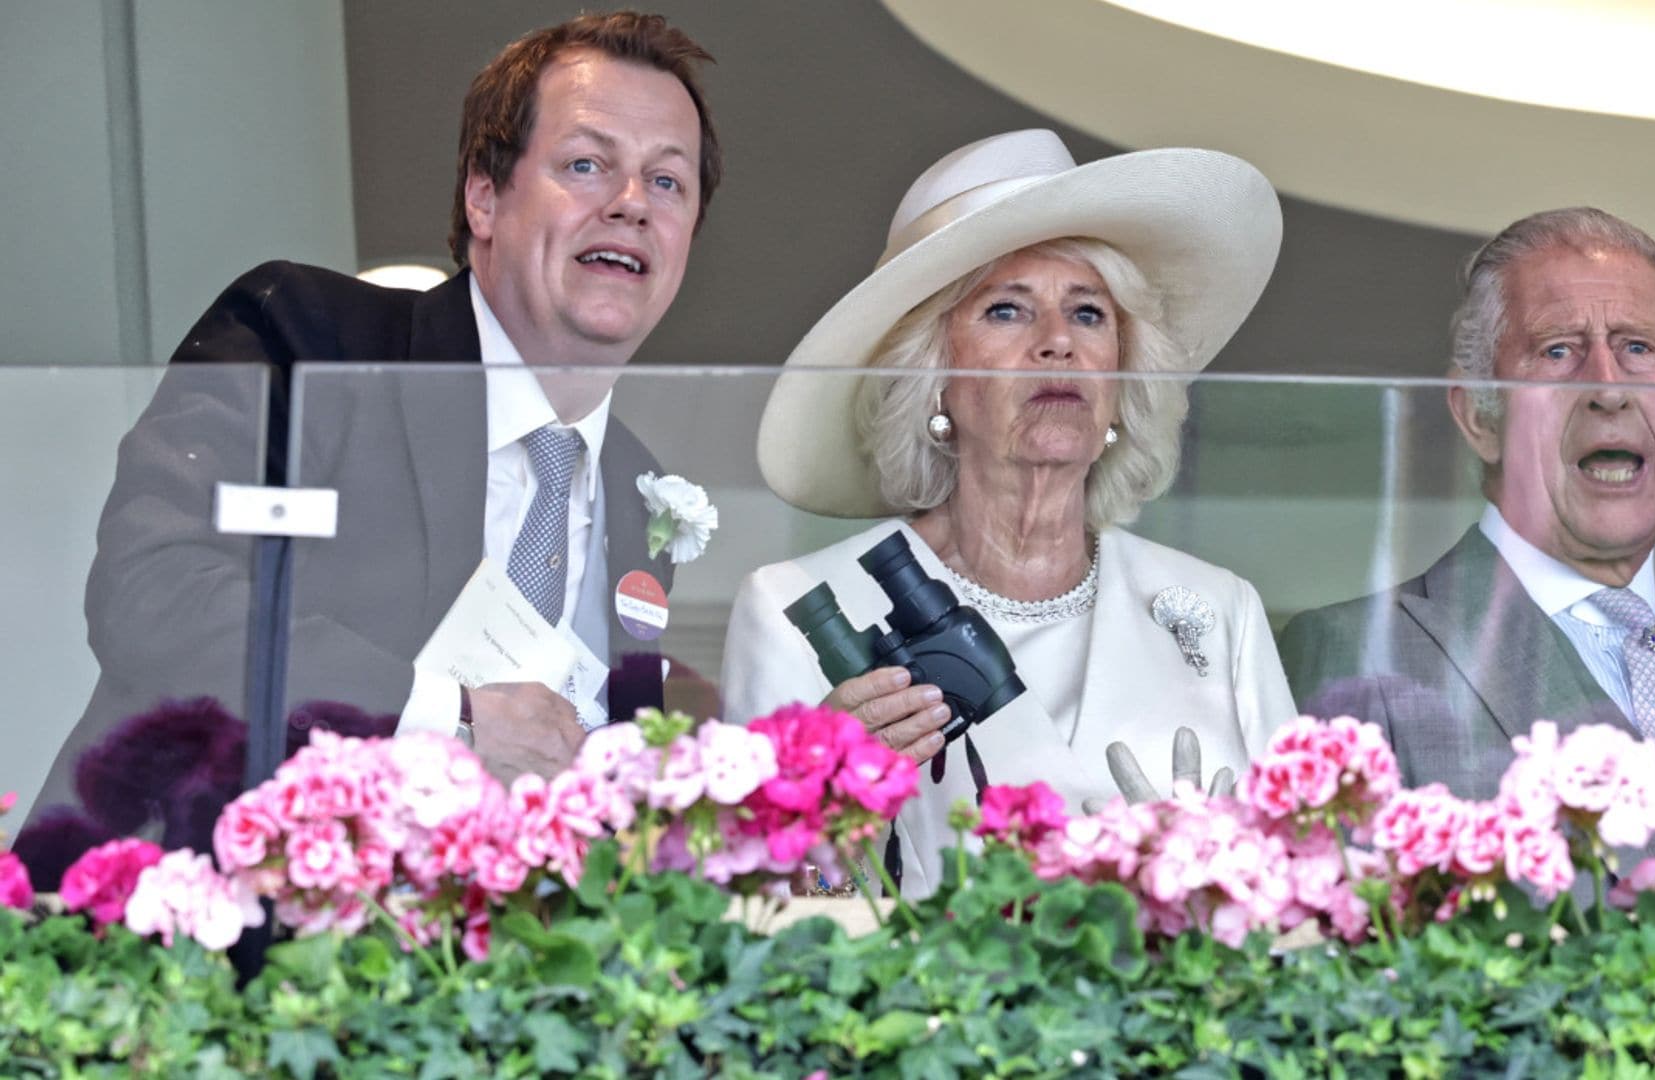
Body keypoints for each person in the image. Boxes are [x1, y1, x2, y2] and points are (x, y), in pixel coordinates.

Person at [27, 13, 721, 852]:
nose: (631, 205)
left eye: (667, 182)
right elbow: (156, 593)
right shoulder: (315, 341)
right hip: (178, 934)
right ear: (483, 196)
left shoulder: (640, 493)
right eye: (586, 164)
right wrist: (450, 717)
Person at [719, 129, 1297, 896]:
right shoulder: (796, 608)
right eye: (1006, 311)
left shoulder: (1220, 610)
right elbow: (757, 923)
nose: (1058, 342)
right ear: (933, 380)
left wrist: (1232, 883)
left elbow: (1309, 893)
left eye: (1089, 314)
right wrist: (829, 805)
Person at [1277, 208, 1655, 851]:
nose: (1607, 388)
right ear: (1479, 416)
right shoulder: (1360, 654)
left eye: (1638, 348)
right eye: (1558, 350)